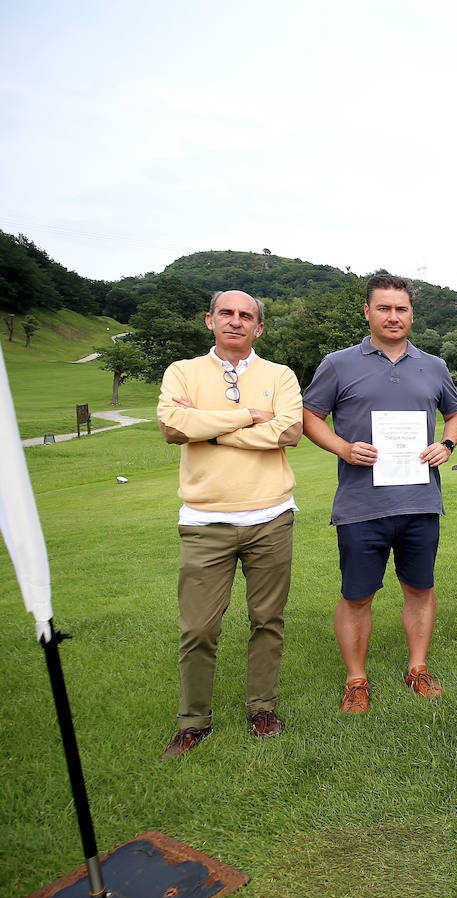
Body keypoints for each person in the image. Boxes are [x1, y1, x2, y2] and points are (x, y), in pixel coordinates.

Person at [302, 274, 457, 712]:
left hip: (420, 502)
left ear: (412, 314)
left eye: (402, 309)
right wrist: (343, 447)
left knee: (419, 588)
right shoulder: (338, 363)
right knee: (357, 595)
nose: (394, 317)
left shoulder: (433, 365)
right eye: (385, 308)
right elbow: (310, 416)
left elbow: (455, 412)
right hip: (361, 505)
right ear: (368, 312)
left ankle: (418, 668)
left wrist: (446, 445)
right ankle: (356, 679)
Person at [157, 290, 302, 758]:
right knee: (198, 627)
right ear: (210, 320)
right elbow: (173, 427)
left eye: (247, 316)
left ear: (259, 328)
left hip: (270, 517)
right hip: (204, 521)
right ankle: (193, 720)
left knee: (267, 620)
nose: (236, 321)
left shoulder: (279, 375)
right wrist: (243, 418)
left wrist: (210, 429)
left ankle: (262, 707)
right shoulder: (183, 372)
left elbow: (289, 431)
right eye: (227, 314)